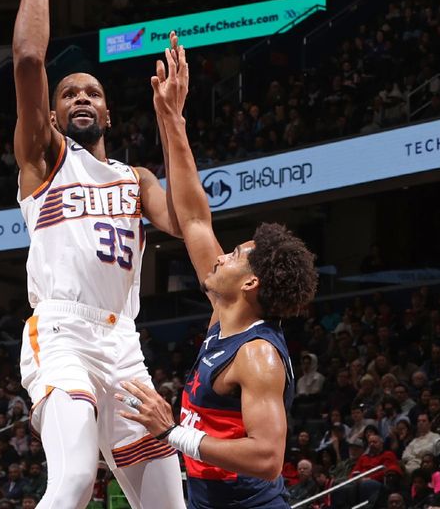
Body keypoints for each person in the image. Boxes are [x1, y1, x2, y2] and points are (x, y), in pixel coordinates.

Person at [8, 0, 185, 509]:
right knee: (76, 478)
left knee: (167, 500)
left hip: (124, 342)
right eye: (68, 94)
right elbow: (30, 58)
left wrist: (173, 123)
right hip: (61, 331)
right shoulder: (47, 161)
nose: (80, 98)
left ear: (108, 110)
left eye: (92, 92)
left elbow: (186, 225)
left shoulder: (138, 180)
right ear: (54, 112)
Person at [117, 38, 317, 508]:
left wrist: (174, 434)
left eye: (237, 255)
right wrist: (172, 119)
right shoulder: (223, 316)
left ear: (251, 283)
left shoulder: (258, 356)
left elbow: (269, 456)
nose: (222, 256)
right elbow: (193, 220)